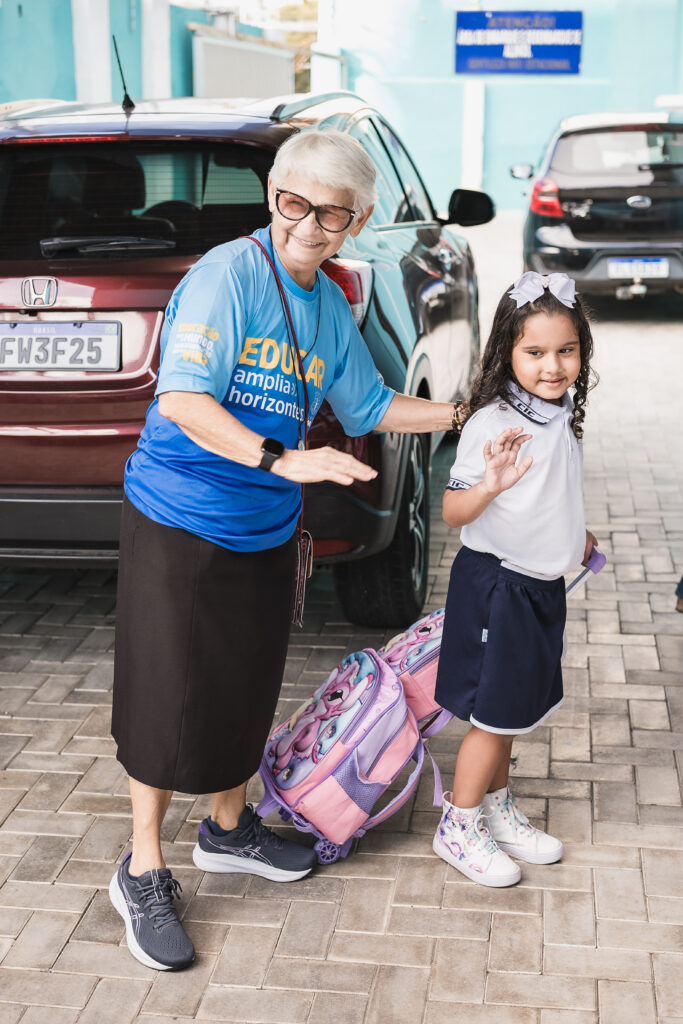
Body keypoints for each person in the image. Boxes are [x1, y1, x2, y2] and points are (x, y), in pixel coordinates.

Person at [108, 128, 459, 970]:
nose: (305, 226)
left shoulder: (328, 304)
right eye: (291, 203)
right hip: (182, 512)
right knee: (165, 690)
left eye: (329, 213)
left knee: (245, 680)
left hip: (265, 524)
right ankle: (143, 866)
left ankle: (228, 828)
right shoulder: (226, 277)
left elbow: (369, 404)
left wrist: (465, 413)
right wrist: (282, 459)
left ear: (357, 220)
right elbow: (183, 398)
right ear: (272, 194)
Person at [432, 271, 598, 888]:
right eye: (535, 352)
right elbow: (454, 511)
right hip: (497, 588)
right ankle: (458, 824)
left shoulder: (557, 408)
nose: (553, 366)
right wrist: (490, 485)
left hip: (538, 588)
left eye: (566, 350)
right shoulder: (493, 423)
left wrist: (576, 535)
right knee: (490, 716)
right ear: (507, 351)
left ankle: (495, 811)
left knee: (511, 712)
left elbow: (553, 490)